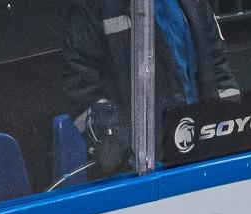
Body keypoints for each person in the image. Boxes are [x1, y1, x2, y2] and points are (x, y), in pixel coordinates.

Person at [62, 0, 239, 171]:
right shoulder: (92, 4)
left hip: (201, 149)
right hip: (140, 169)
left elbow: (217, 62)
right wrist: (113, 142)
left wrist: (231, 125)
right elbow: (79, 83)